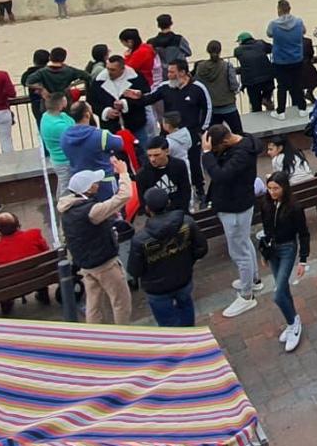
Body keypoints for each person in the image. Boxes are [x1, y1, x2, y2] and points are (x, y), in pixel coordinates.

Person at [58, 161, 132, 324]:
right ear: (88, 189)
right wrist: (123, 174)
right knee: (121, 301)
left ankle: (95, 335)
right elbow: (124, 196)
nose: (97, 184)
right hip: (105, 263)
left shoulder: (67, 210)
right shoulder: (92, 211)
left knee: (94, 304)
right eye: (95, 183)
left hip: (86, 264)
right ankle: (124, 336)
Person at [201, 124, 262, 319]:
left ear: (226, 141)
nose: (217, 152)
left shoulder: (241, 154)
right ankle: (253, 280)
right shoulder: (243, 141)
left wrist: (207, 154)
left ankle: (246, 295)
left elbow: (220, 175)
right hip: (240, 203)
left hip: (234, 207)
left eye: (217, 148)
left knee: (238, 251)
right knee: (244, 243)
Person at [128, 186, 207, 327]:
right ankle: (189, 336)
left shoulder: (140, 240)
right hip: (183, 278)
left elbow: (135, 270)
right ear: (168, 203)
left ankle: (177, 344)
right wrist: (187, 261)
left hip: (157, 289)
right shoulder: (187, 222)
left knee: (167, 323)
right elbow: (201, 249)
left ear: (147, 209)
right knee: (187, 308)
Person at [257, 171, 311, 351]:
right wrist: (264, 253)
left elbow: (303, 234)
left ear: (284, 188)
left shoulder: (295, 207)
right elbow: (266, 228)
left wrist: (303, 260)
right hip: (272, 249)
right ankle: (292, 320)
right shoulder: (265, 203)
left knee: (278, 292)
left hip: (287, 248)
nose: (272, 192)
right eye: (270, 188)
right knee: (283, 288)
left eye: (276, 188)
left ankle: (293, 322)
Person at [268, 0, 313, 117]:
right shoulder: (298, 22)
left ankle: (281, 111)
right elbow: (303, 31)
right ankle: (302, 109)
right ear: (290, 8)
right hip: (297, 59)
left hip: (280, 60)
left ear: (278, 10)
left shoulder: (273, 24)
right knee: (297, 84)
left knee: (281, 86)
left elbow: (269, 33)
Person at [192, 40, 245, 135]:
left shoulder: (200, 67)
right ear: (220, 51)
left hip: (211, 108)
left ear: (207, 51)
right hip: (229, 106)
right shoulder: (227, 66)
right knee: (238, 134)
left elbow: (197, 85)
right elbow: (234, 85)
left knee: (212, 136)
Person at [136, 136, 193, 214]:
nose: (152, 159)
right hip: (158, 217)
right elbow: (144, 203)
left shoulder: (179, 165)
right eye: (149, 155)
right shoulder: (142, 174)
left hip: (181, 212)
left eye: (156, 155)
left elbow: (186, 191)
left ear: (167, 151)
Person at [234, 32, 276, 115]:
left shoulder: (238, 50)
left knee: (255, 104)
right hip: (267, 76)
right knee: (269, 88)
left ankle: (258, 118)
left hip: (251, 81)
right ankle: (266, 98)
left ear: (241, 41)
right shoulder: (261, 44)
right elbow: (272, 48)